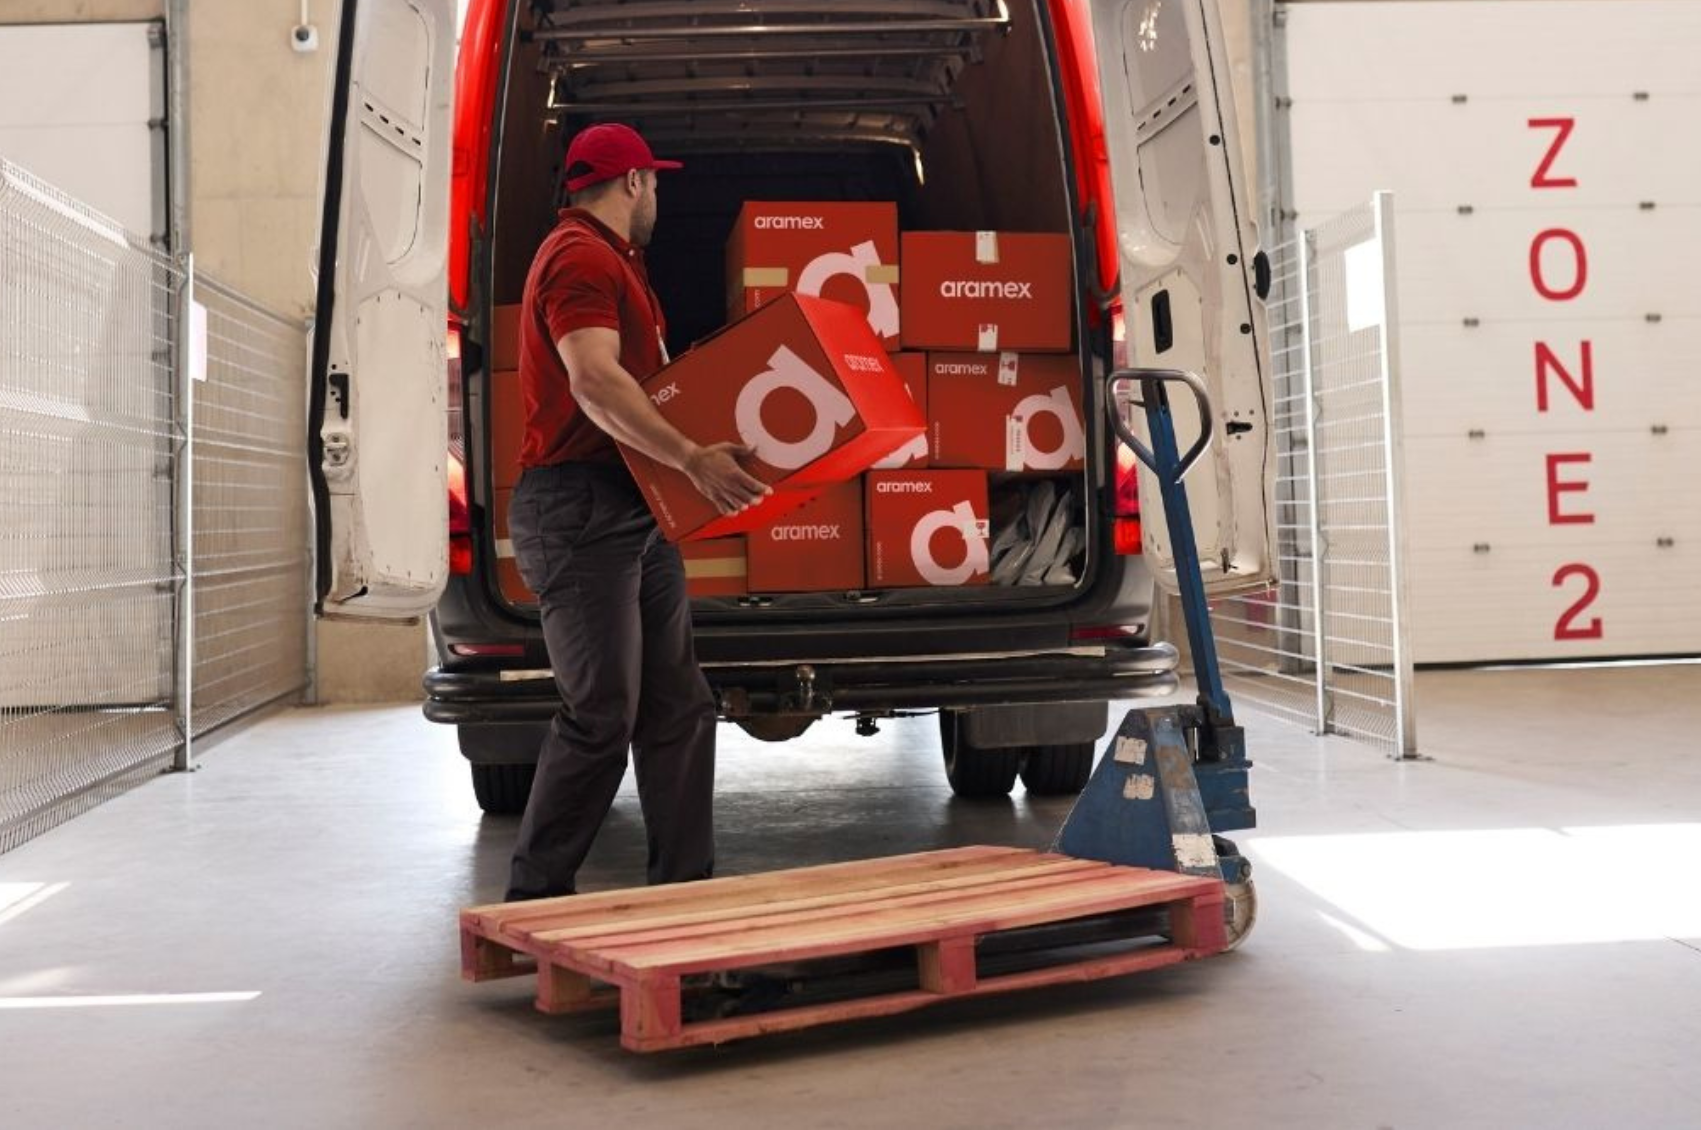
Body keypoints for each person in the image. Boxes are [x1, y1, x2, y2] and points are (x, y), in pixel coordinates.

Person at [504, 122, 769, 901]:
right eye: (654, 181)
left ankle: (684, 892)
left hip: (629, 509)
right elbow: (592, 380)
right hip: (580, 511)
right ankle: (534, 902)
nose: (658, 194)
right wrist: (690, 457)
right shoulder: (580, 257)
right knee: (601, 714)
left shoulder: (616, 260)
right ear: (629, 184)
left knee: (679, 706)